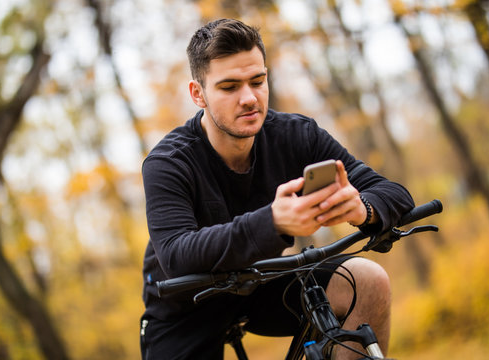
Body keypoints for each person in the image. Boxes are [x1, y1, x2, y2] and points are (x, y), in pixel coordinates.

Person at [140, 18, 414, 360]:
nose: (249, 98)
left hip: (264, 284)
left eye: (258, 81)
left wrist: (363, 209)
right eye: (229, 87)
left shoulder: (298, 135)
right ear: (198, 94)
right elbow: (177, 255)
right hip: (186, 305)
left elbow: (392, 192)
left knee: (368, 280)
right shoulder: (167, 162)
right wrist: (273, 223)